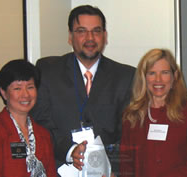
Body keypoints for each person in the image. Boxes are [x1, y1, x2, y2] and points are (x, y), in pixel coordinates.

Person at [30, 4, 135, 175]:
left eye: (96, 31)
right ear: (70, 37)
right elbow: (41, 123)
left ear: (105, 36)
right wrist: (69, 150)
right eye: (81, 31)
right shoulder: (48, 70)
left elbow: (128, 133)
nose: (90, 37)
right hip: (60, 169)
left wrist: (116, 171)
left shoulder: (126, 76)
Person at [120, 48, 187, 177]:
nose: (158, 79)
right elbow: (126, 166)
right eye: (151, 73)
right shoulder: (132, 116)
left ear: (175, 76)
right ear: (144, 78)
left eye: (165, 72)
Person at [0, 60, 57, 177]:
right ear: (4, 92)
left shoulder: (43, 133)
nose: (25, 94)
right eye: (17, 88)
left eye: (30, 87)